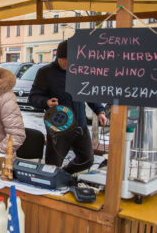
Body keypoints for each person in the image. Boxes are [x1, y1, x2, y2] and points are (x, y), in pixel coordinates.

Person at [29, 40, 107, 174]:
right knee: (52, 166)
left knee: (87, 159)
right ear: (57, 57)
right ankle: (54, 180)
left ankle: (64, 174)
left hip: (80, 125)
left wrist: (100, 111)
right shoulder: (45, 72)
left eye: (70, 60)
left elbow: (88, 93)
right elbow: (33, 97)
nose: (67, 63)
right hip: (58, 127)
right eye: (63, 59)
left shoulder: (80, 71)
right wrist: (47, 102)